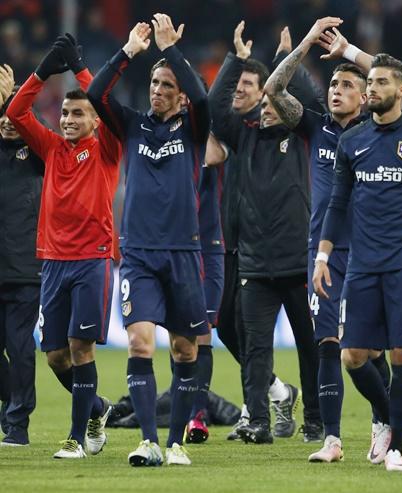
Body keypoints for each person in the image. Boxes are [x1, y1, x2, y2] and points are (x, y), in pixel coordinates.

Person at [314, 53, 402, 472]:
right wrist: (323, 256)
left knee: (401, 355)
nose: (373, 88)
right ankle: (387, 422)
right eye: (370, 81)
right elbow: (337, 205)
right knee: (353, 355)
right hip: (361, 263)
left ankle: (397, 448)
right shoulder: (351, 142)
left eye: (380, 82)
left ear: (401, 90)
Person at [265, 18, 397, 463]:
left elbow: (393, 75)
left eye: (346, 85)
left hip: (369, 252)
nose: (336, 90)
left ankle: (385, 420)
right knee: (327, 343)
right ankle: (333, 439)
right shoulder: (315, 127)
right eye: (334, 85)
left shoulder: (378, 132)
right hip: (321, 254)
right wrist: (305, 42)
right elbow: (273, 90)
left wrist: (348, 52)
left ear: (365, 97)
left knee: (366, 349)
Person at [87, 16, 210, 466]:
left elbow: (200, 95)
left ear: (178, 96)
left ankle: (175, 441)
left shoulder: (194, 129)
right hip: (137, 254)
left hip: (183, 252)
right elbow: (97, 93)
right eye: (154, 82)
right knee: (140, 343)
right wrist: (129, 52)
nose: (157, 90)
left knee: (185, 348)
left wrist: (171, 50)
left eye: (165, 85)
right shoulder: (133, 126)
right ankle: (148, 441)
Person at [6, 35, 122, 458]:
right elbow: (17, 111)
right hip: (52, 262)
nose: (69, 119)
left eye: (79, 113)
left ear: (95, 120)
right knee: (55, 356)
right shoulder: (52, 148)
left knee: (79, 348)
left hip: (92, 260)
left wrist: (80, 66)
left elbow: (107, 103)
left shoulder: (108, 148)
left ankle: (76, 438)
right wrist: (41, 73)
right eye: (66, 112)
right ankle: (96, 409)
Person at [208, 21, 322, 444]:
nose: (268, 106)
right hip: (255, 261)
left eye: (276, 98)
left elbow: (308, 97)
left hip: (298, 260)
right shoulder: (244, 134)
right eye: (265, 100)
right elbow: (216, 107)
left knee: (311, 348)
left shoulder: (303, 132)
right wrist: (235, 59)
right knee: (255, 349)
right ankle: (257, 420)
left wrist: (285, 60)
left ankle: (314, 420)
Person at [0, 66, 43, 447]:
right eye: (4, 114)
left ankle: (17, 425)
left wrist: (15, 95)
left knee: (20, 346)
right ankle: (9, 405)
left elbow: (43, 133)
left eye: (16, 114)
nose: (10, 121)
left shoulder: (36, 154)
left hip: (25, 268)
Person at [185, 132, 227, 444]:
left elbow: (215, 156)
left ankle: (197, 415)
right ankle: (186, 409)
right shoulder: (161, 137)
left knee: (203, 330)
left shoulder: (210, 136)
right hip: (176, 246)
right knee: (181, 337)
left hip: (209, 247)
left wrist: (204, 120)